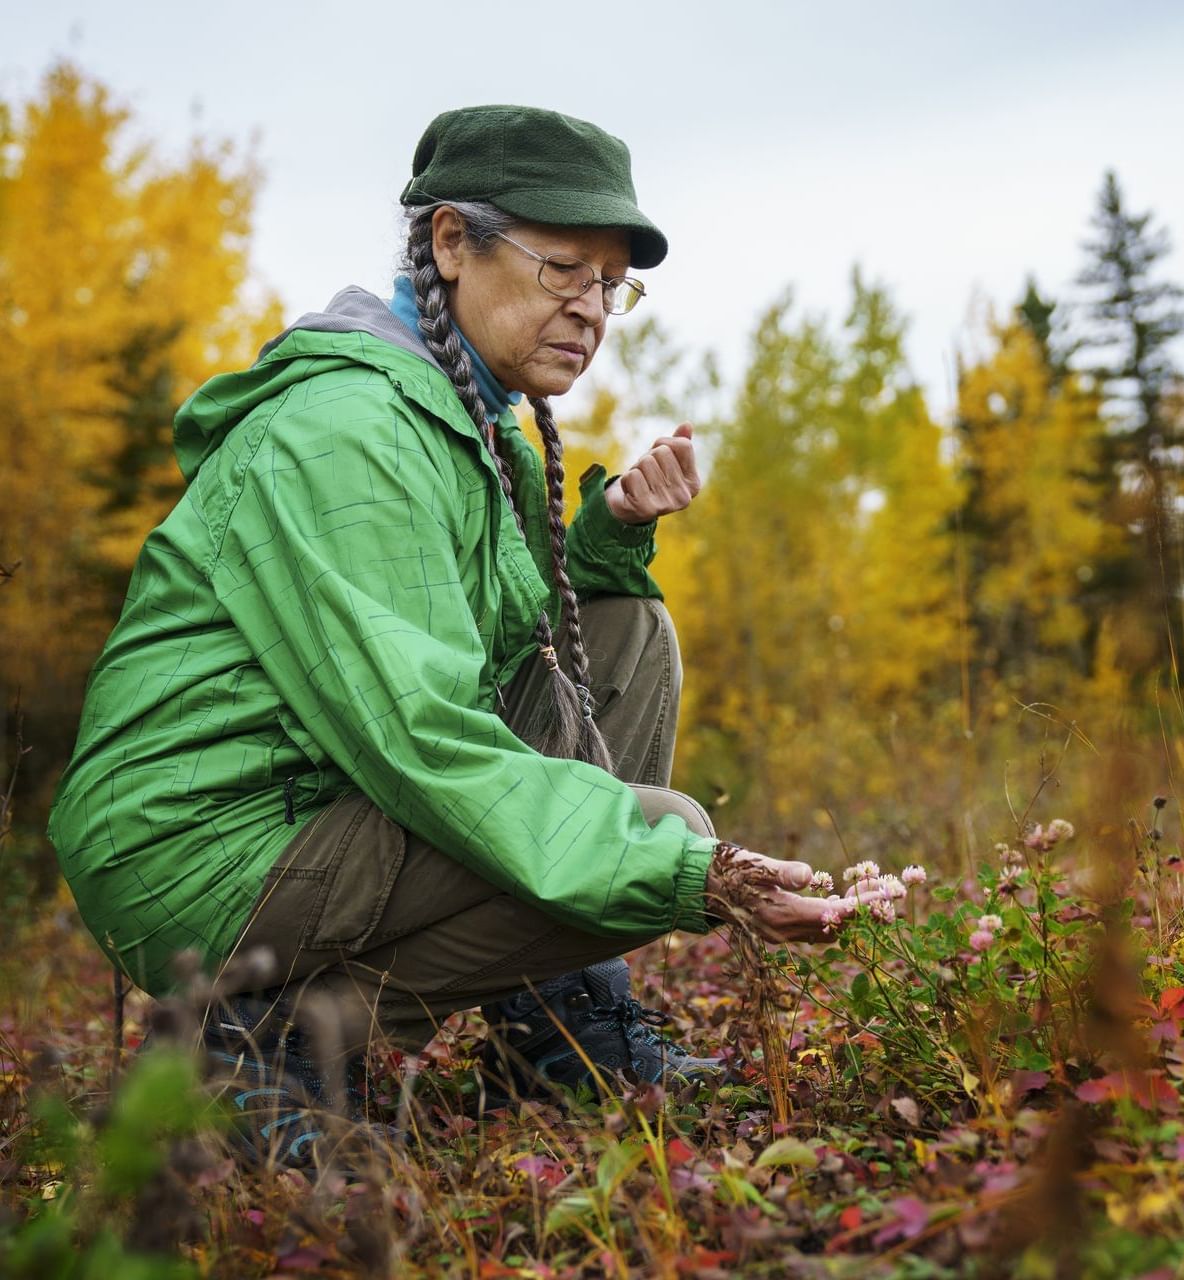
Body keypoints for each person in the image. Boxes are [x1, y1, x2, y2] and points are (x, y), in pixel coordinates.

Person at [47, 105, 882, 1165]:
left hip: (313, 796)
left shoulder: (466, 424)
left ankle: (556, 1023)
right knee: (660, 823)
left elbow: (500, 654)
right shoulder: (350, 432)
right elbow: (425, 734)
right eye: (563, 269)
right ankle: (259, 1046)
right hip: (203, 839)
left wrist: (611, 540)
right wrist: (695, 874)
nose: (592, 310)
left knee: (626, 631)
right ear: (451, 242)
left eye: (611, 286)